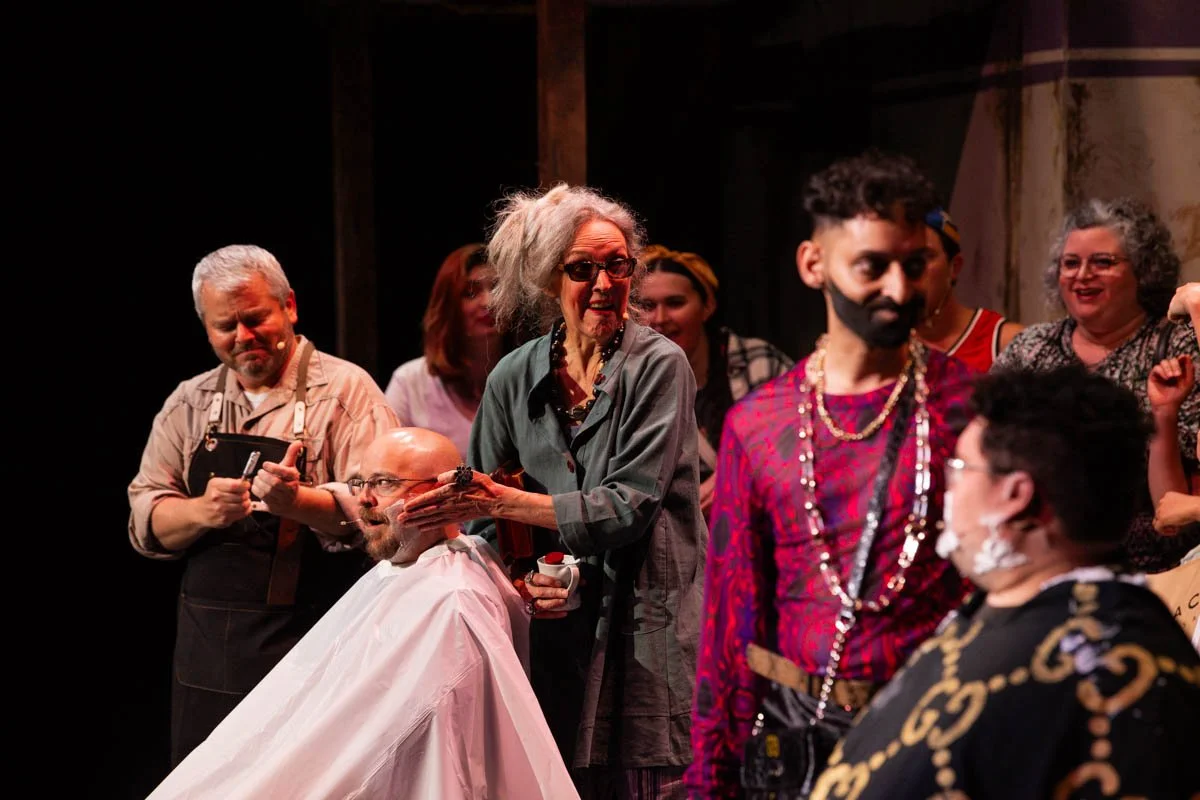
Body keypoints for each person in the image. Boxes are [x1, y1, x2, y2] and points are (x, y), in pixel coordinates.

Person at [395, 183, 706, 798]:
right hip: (550, 636)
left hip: (643, 626)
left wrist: (499, 501)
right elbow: (486, 530)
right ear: (546, 279)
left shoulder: (659, 366)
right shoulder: (514, 377)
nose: (604, 283)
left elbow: (629, 507)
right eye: (582, 269)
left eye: (618, 265)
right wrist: (520, 576)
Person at [687, 150, 977, 798]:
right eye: (873, 266)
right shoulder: (758, 424)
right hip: (801, 744)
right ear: (813, 264)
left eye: (915, 264)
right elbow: (731, 620)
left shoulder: (970, 406)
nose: (900, 290)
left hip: (940, 738)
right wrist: (712, 781)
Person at [810, 366, 1200, 799]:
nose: (948, 489)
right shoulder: (1012, 611)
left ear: (1016, 495)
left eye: (959, 468)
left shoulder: (1112, 667)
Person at [146, 428, 579, 800]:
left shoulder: (454, 600)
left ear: (444, 492)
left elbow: (424, 755)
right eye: (360, 482)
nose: (365, 499)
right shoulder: (406, 572)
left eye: (385, 482)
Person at [127, 244, 400, 765]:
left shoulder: (346, 392)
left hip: (311, 639)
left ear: (290, 306)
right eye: (224, 326)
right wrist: (201, 512)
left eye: (255, 319)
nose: (242, 338)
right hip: (206, 652)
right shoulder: (190, 402)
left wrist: (299, 502)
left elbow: (386, 514)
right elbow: (145, 515)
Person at [994, 198, 1199, 572]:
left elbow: (1173, 502)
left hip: (1145, 560)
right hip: (1031, 552)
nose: (1082, 275)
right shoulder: (1030, 347)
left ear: (1143, 270)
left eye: (1102, 262)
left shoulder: (1177, 345)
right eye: (1070, 263)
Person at [634, 244, 794, 517]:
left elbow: (798, 440)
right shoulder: (631, 380)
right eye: (648, 306)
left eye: (675, 303)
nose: (660, 319)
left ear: (707, 305)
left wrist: (736, 478)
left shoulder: (758, 362)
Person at [383, 243, 509, 457]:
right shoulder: (409, 382)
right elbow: (386, 465)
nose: (489, 301)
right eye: (471, 292)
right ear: (447, 306)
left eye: (496, 288)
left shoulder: (529, 374)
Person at [917, 208, 1023, 371]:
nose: (909, 271)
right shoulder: (883, 349)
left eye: (923, 258)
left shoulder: (1007, 344)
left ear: (954, 267)